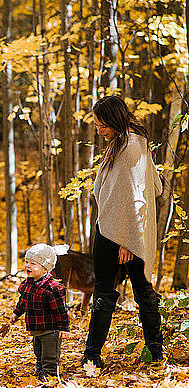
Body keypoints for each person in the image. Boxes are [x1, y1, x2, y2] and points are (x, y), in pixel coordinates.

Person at [81, 95, 163, 368]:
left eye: (102, 124)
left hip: (124, 235)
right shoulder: (122, 144)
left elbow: (136, 195)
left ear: (114, 120)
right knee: (111, 292)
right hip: (109, 229)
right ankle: (93, 355)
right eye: (96, 125)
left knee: (138, 292)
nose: (99, 130)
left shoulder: (131, 148)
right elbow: (154, 186)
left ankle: (152, 351)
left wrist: (127, 239)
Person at [0, 244, 70, 380]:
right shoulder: (28, 284)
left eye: (33, 263)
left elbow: (61, 310)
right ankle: (40, 371)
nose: (28, 266)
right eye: (26, 262)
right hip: (36, 328)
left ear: (45, 268)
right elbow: (23, 301)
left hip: (51, 330)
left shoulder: (53, 288)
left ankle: (49, 376)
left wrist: (64, 328)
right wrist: (16, 313)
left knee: (49, 356)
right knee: (38, 353)